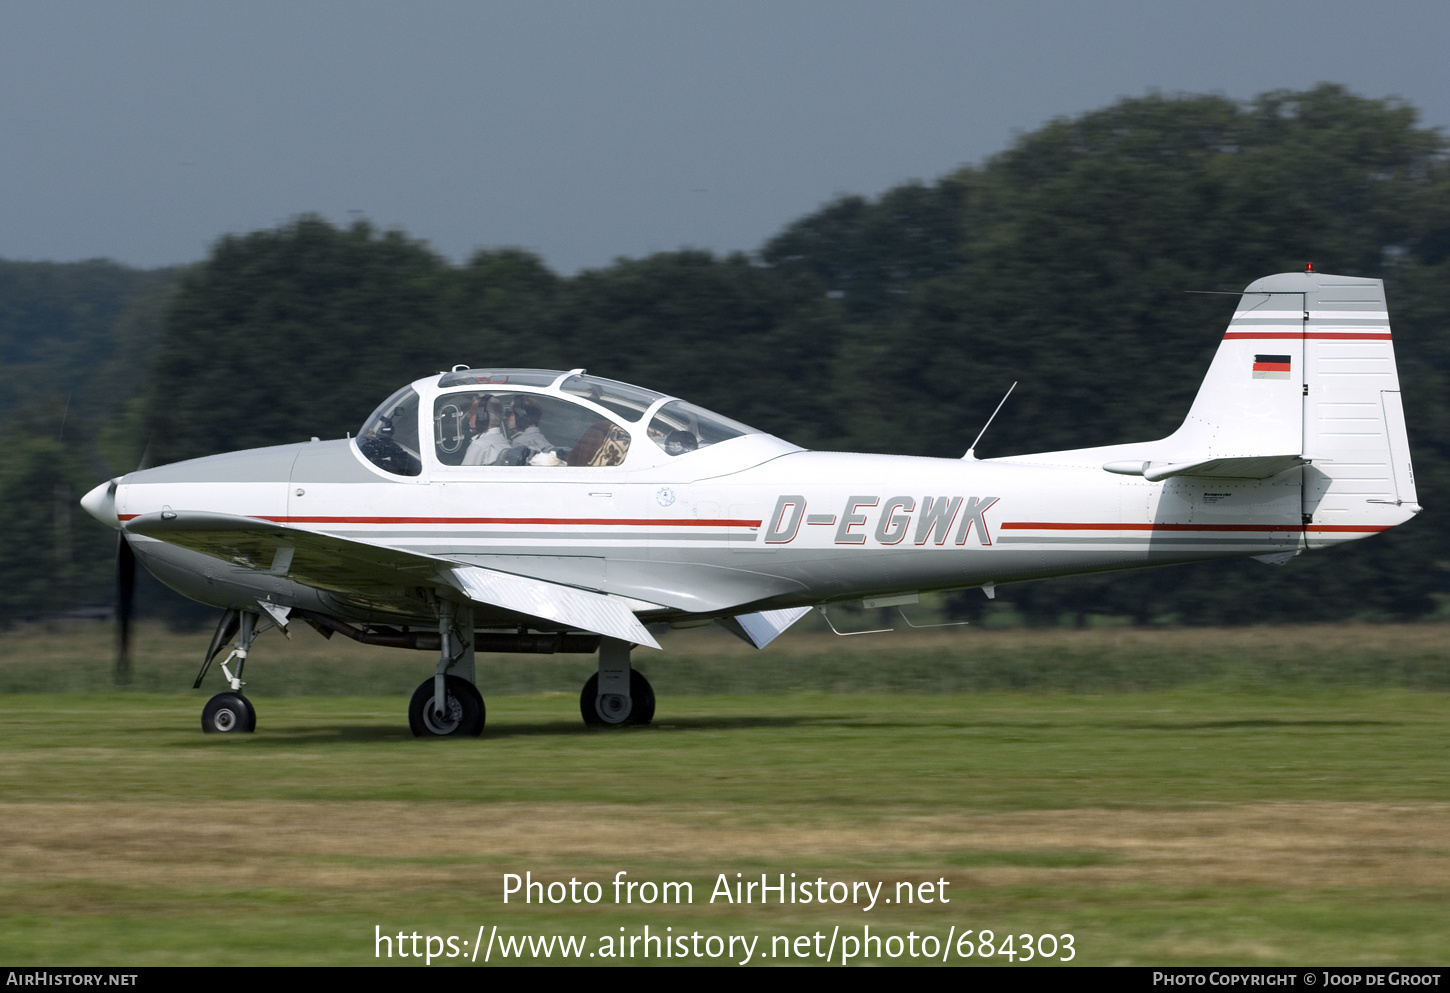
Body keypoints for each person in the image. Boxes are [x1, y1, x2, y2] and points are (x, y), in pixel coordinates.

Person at [461, 395, 510, 466]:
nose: (469, 418)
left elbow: (463, 475)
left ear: (482, 417)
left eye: (472, 414)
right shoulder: (505, 442)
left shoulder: (479, 446)